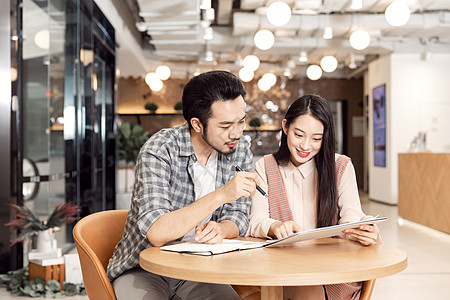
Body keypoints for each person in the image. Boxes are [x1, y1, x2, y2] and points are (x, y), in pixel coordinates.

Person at [107, 70, 260, 300]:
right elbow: (157, 233)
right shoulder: (160, 149)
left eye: (241, 121)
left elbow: (238, 216)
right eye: (226, 125)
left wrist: (221, 229)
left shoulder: (238, 152)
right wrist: (221, 195)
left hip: (198, 267)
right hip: (144, 266)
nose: (237, 133)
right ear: (197, 124)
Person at [247, 94, 380, 300]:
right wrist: (273, 226)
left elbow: (351, 219)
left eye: (316, 139)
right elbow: (255, 221)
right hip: (284, 268)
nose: (305, 146)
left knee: (304, 288)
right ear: (285, 127)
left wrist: (362, 229)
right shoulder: (265, 166)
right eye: (298, 135)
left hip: (333, 272)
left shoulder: (341, 166)